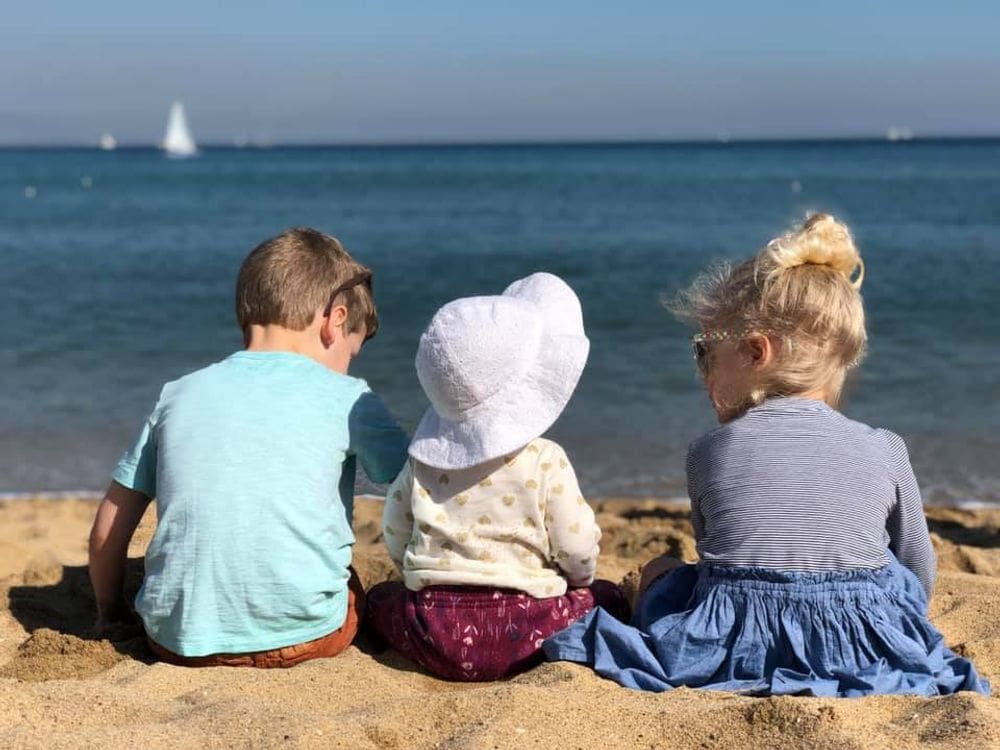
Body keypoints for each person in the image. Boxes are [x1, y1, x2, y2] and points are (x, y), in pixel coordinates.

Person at [544, 214, 990, 697]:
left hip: (739, 641)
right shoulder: (886, 446)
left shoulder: (707, 451)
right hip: (860, 639)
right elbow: (918, 568)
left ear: (757, 352)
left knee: (662, 575)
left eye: (704, 352)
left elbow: (722, 561)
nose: (702, 371)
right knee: (887, 571)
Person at [88, 227, 409, 668]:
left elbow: (109, 526)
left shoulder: (177, 394)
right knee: (355, 590)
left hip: (176, 641)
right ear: (335, 320)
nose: (348, 366)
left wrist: (112, 613)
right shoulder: (349, 397)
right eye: (352, 351)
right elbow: (414, 485)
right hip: (306, 637)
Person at [367, 272, 629, 681]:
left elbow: (395, 529)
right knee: (607, 598)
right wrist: (580, 583)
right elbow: (575, 547)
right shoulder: (545, 460)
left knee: (380, 600)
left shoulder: (420, 463)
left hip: (431, 629)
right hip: (527, 631)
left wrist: (413, 576)